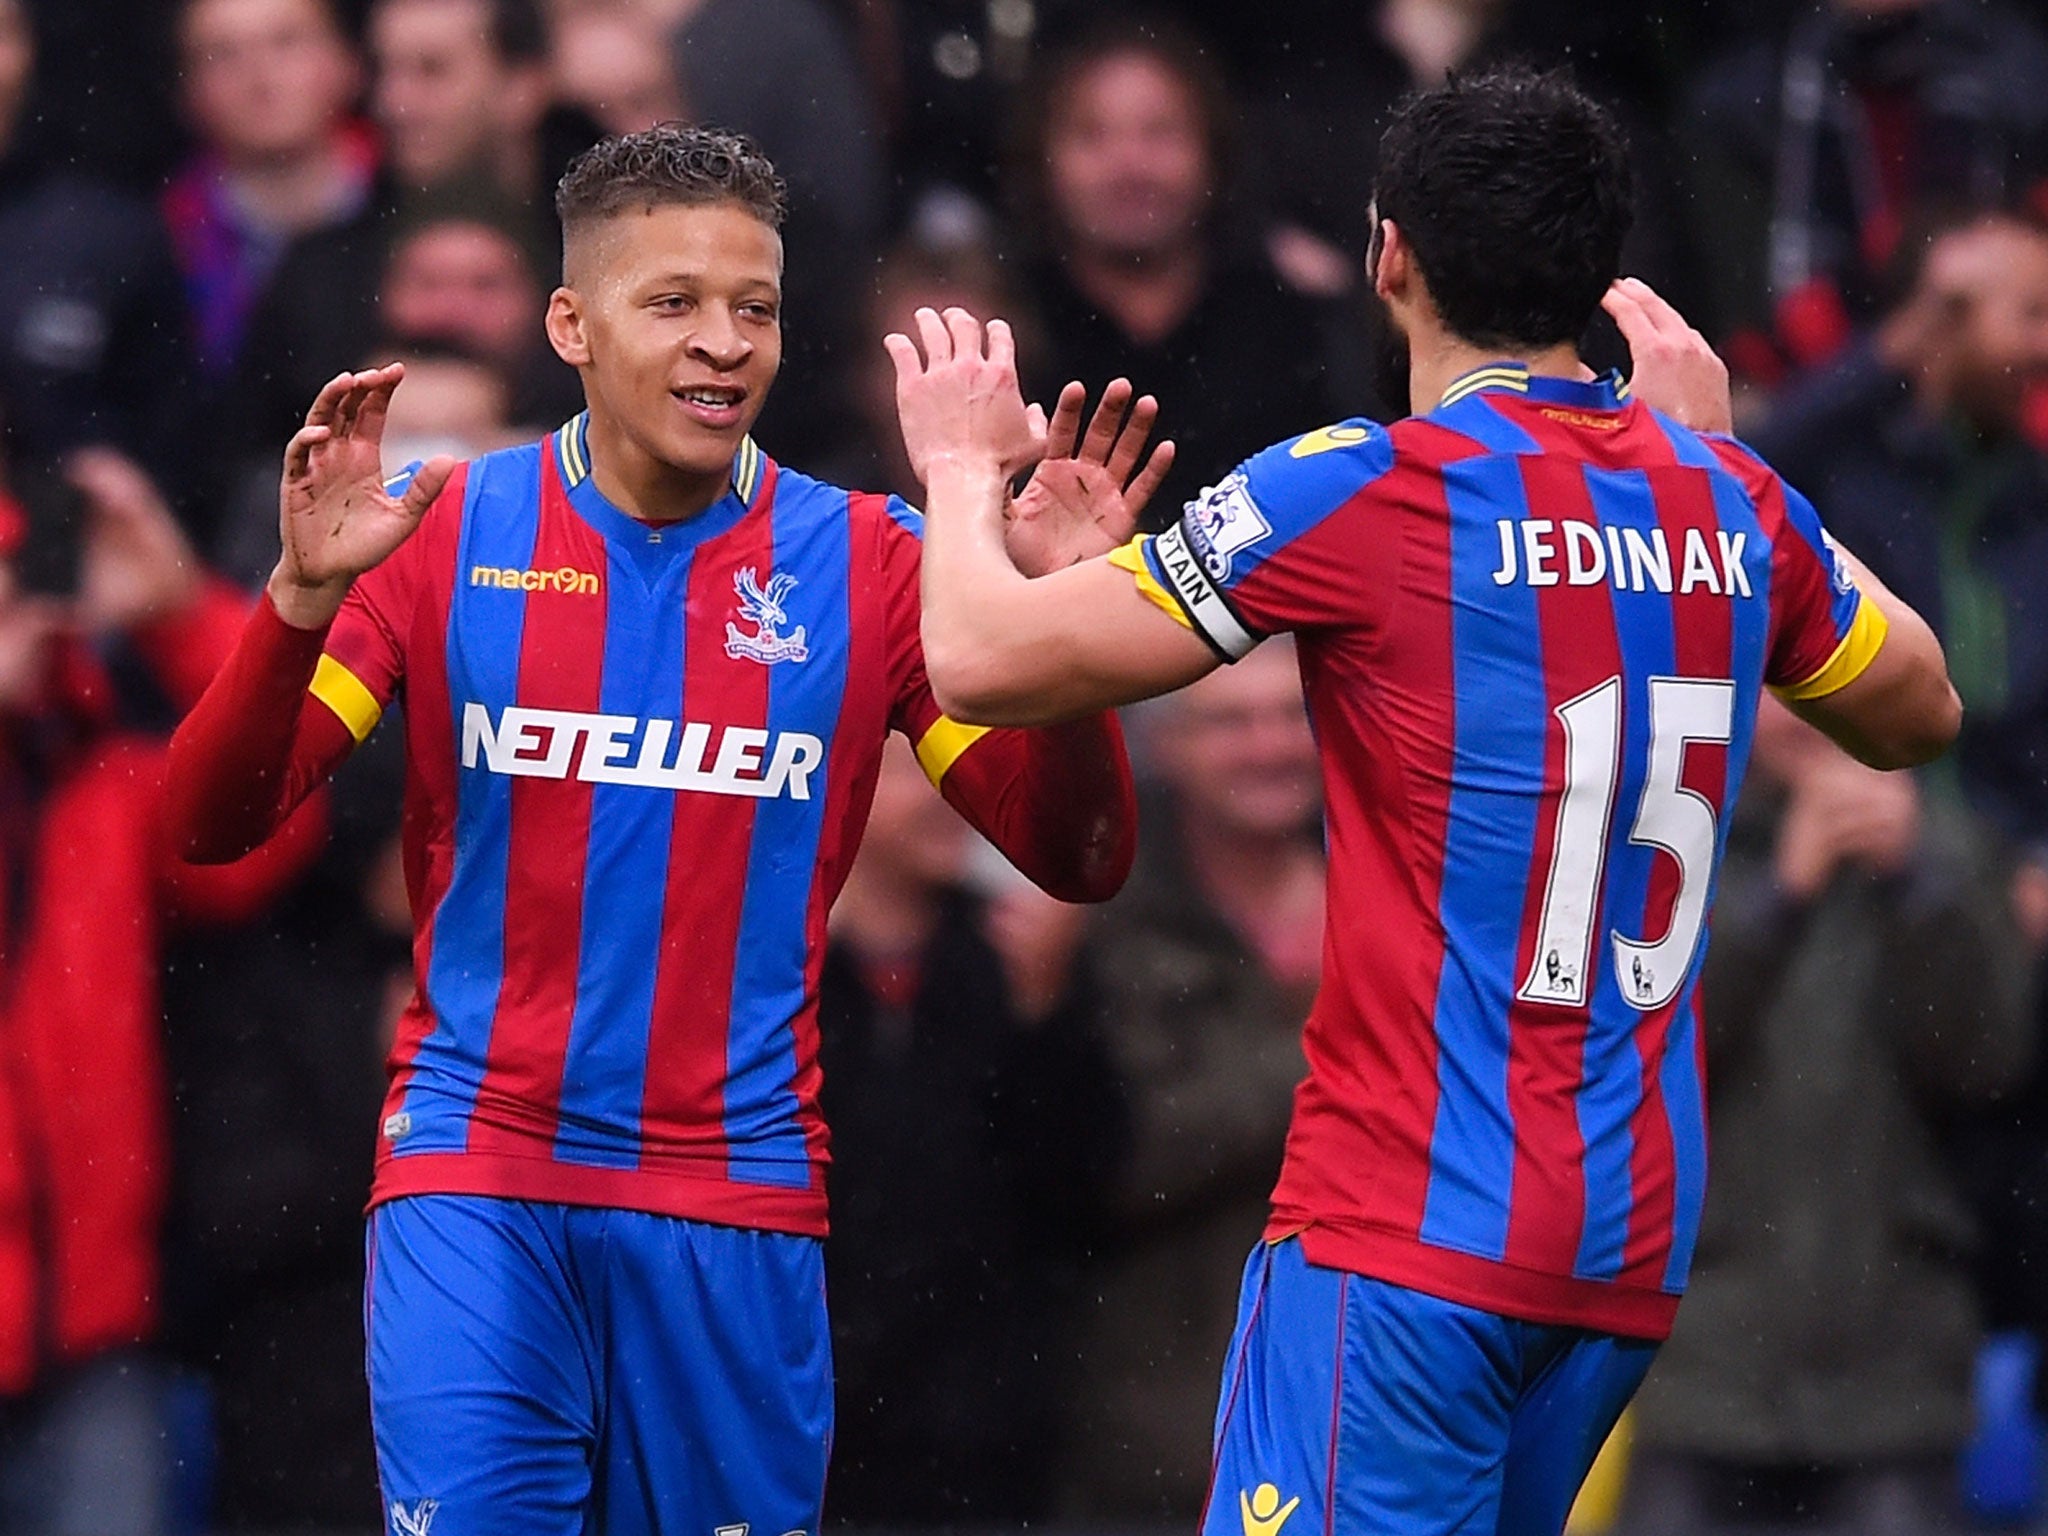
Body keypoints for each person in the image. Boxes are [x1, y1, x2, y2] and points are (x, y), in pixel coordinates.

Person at [889, 66, 1961, 1535]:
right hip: (1621, 1257)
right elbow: (1919, 709)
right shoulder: (1728, 500)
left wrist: (957, 472)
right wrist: (1716, 457)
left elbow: (979, 662)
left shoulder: (1372, 491)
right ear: (1597, 274)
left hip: (1410, 1231)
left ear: (1389, 253)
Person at [162, 124, 1163, 1534]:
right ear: (570, 323)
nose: (725, 344)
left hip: (735, 1199)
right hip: (479, 1173)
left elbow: (1078, 858)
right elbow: (211, 822)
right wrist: (296, 604)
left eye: (754, 307)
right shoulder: (441, 534)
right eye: (674, 303)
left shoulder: (867, 565)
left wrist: (1071, 647)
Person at [1619, 702, 2033, 1536]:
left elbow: (1991, 1064)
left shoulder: (1951, 851)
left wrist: (1917, 886)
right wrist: (1781, 896)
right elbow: (1639, 1060)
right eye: (1783, 682)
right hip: (1702, 1363)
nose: (1809, 710)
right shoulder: (1671, 848)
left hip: (1897, 1375)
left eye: (1833, 676)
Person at [819, 735, 1123, 1523]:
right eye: (914, 773)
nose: (947, 798)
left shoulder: (1023, 953)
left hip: (986, 1428)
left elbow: (1085, 1187)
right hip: (821, 1412)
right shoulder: (787, 965)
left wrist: (1044, 1015)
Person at [1059, 638, 1321, 1523]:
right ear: (1164, 745)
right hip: (1153, 1425)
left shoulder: (1399, 894)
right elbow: (1126, 1158)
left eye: (1293, 718)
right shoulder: (1097, 915)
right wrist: (1337, 1040)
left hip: (1352, 1402)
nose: (1269, 746)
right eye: (1230, 723)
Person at [164, 0, 374, 383]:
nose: (259, 77)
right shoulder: (163, 242)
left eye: (286, 42)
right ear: (187, 91)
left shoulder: (414, 208)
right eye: (222, 54)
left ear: (351, 63)